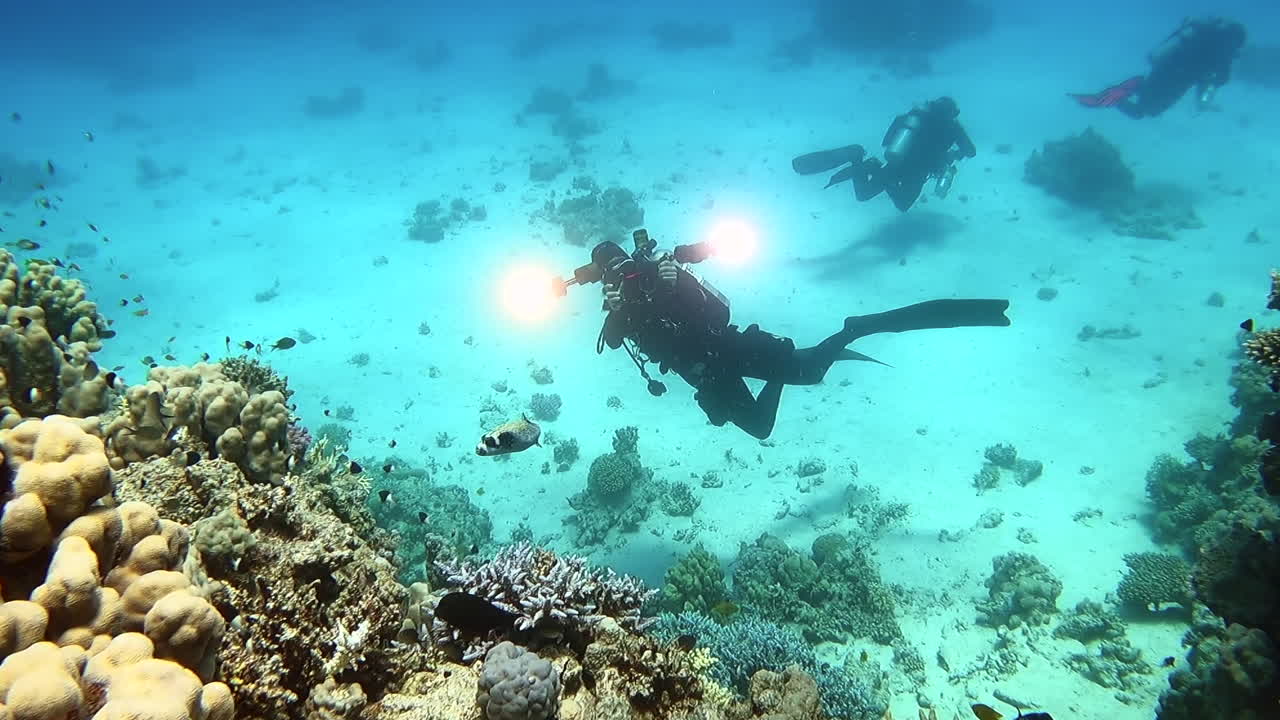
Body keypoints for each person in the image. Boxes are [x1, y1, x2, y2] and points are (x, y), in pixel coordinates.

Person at [590, 229, 1010, 439]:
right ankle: (783, 370)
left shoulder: (665, 272)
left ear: (631, 257)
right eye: (610, 271)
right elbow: (612, 342)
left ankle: (857, 329)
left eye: (620, 266)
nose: (620, 275)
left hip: (728, 345)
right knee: (759, 427)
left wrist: (675, 280)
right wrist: (618, 307)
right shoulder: (618, 305)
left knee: (810, 372)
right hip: (705, 376)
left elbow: (718, 311)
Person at [792, 96, 976, 212]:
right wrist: (952, 155)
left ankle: (857, 158)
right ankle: (870, 168)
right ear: (953, 114)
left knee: (864, 195)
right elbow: (971, 151)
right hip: (918, 172)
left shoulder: (912, 119)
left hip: (896, 163)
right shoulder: (953, 128)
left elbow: (887, 142)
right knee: (903, 205)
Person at [1070, 17, 1246, 118]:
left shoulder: (1205, 36)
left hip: (1165, 67)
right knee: (1147, 111)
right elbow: (1218, 79)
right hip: (1178, 80)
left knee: (1146, 97)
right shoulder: (1222, 53)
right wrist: (1204, 102)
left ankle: (1128, 88)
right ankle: (1116, 97)